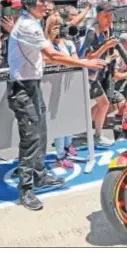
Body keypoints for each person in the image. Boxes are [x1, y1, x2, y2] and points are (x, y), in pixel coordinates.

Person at [7, 0, 105, 211]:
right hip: (23, 88)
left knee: (40, 133)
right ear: (30, 3)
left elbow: (44, 58)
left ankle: (39, 174)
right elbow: (51, 54)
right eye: (43, 1)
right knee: (30, 139)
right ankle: (26, 190)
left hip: (31, 86)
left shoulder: (32, 24)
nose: (47, 5)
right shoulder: (28, 26)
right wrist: (84, 62)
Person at [78, 2, 123, 145]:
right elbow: (88, 56)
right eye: (106, 16)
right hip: (84, 75)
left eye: (111, 15)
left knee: (103, 104)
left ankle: (94, 134)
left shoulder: (106, 31)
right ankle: (92, 134)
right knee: (102, 104)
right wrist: (106, 46)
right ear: (98, 16)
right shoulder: (92, 32)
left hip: (94, 76)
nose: (109, 19)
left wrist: (111, 55)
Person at [44, 14, 79, 169]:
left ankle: (67, 145)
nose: (58, 29)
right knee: (58, 120)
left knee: (69, 116)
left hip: (68, 83)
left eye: (60, 26)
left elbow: (75, 59)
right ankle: (60, 155)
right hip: (53, 85)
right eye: (54, 27)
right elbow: (46, 59)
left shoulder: (69, 43)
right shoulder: (46, 45)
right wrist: (51, 43)